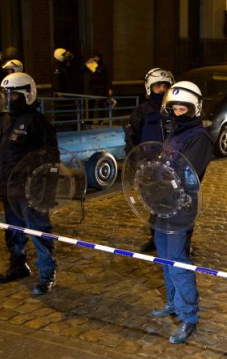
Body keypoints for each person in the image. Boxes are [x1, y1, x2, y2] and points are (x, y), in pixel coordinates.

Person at [150, 81, 213, 344]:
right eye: (173, 109)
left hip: (181, 208)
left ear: (194, 109)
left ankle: (189, 317)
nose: (177, 113)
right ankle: (173, 302)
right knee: (165, 258)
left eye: (182, 109)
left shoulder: (199, 137)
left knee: (177, 260)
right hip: (161, 206)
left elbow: (188, 175)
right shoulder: (175, 134)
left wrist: (163, 179)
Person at [0, 72, 60, 296]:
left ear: (28, 95)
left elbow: (51, 161)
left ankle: (47, 272)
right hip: (8, 191)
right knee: (13, 231)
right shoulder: (5, 121)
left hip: (31, 192)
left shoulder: (38, 124)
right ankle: (18, 264)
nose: (9, 99)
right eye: (6, 95)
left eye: (14, 95)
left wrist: (45, 191)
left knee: (39, 232)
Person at [124, 68, 175, 252]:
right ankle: (155, 236)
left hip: (174, 165)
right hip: (151, 166)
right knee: (155, 203)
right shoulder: (141, 112)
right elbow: (132, 140)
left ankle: (181, 241)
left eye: (165, 86)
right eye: (157, 86)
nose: (161, 90)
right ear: (149, 88)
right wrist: (136, 163)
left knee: (180, 203)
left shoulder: (175, 109)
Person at [83, 53, 113, 122]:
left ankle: (100, 120)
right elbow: (84, 69)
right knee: (91, 104)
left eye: (97, 57)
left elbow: (108, 78)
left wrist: (109, 88)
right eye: (95, 57)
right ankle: (90, 120)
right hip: (92, 89)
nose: (96, 59)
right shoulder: (92, 64)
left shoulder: (103, 67)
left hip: (101, 89)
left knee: (101, 105)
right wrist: (89, 62)